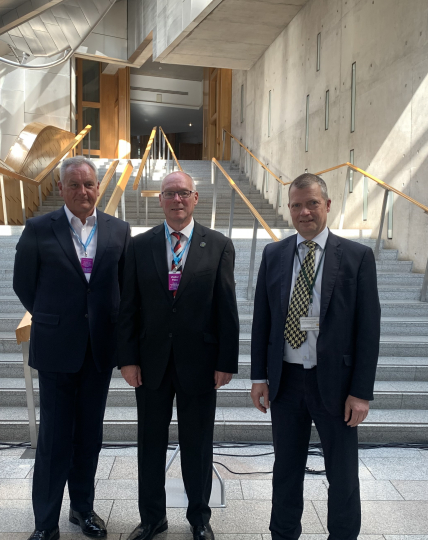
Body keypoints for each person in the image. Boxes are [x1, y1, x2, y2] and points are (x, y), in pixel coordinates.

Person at [249, 173, 381, 540]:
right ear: (289, 209)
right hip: (287, 382)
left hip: (336, 386)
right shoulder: (274, 253)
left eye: (311, 203)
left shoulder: (356, 257)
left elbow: (368, 330)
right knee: (285, 468)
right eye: (296, 205)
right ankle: (283, 534)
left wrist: (361, 392)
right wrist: (259, 377)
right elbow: (264, 319)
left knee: (342, 472)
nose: (304, 212)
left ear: (327, 205)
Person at [117, 171, 240, 540]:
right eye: (170, 194)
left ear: (196, 197)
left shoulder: (217, 245)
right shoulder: (139, 246)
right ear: (160, 200)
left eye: (183, 193)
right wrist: (127, 358)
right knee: (150, 445)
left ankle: (199, 519)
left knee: (198, 445)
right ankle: (152, 518)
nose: (177, 200)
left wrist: (225, 362)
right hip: (150, 364)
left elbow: (226, 309)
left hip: (200, 364)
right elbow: (128, 307)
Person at [13, 156, 131, 540]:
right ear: (61, 188)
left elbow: (124, 288)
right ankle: (45, 522)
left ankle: (82, 509)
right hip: (56, 349)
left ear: (99, 187)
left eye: (90, 184)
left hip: (99, 350)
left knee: (89, 437)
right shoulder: (37, 229)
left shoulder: (118, 230)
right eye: (75, 185)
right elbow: (24, 285)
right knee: (54, 438)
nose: (84, 191)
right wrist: (54, 317)